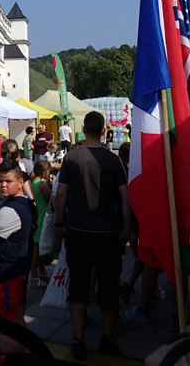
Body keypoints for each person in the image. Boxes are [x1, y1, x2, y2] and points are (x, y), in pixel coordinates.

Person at [55, 111, 131, 359]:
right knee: (108, 285)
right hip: (108, 230)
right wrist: (126, 227)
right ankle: (107, 337)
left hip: (78, 229)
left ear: (83, 129)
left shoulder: (72, 158)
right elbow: (125, 196)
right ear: (102, 130)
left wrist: (60, 222)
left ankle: (78, 339)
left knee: (78, 285)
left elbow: (61, 195)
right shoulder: (113, 160)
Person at [0, 160, 34, 349]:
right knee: (16, 319)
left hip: (5, 274)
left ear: (20, 183)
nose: (3, 185)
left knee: (7, 326)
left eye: (8, 181)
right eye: (0, 181)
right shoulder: (9, 202)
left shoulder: (11, 209)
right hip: (14, 271)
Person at [29, 160, 52, 287]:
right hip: (44, 217)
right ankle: (34, 277)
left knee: (38, 249)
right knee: (37, 250)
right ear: (44, 173)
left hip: (38, 216)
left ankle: (42, 273)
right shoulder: (42, 185)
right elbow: (51, 200)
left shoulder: (33, 182)